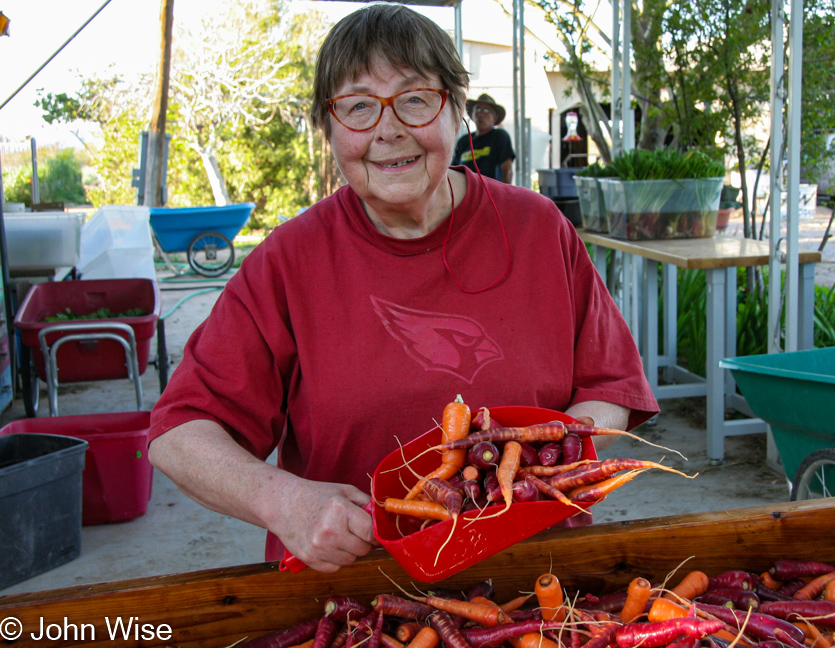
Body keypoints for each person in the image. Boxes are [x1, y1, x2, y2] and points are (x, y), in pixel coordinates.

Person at [147, 2, 657, 575]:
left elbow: (611, 386)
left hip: (536, 576)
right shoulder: (288, 263)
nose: (388, 129)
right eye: (358, 106)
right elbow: (179, 434)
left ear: (456, 109)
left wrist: (532, 470)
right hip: (356, 591)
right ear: (329, 127)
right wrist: (283, 501)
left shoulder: (539, 230)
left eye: (415, 99)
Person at [452, 93, 516, 183]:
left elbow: (507, 171)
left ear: (495, 117)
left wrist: (504, 195)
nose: (481, 114)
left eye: (486, 110)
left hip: (491, 194)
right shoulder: (464, 141)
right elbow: (453, 172)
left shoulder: (500, 137)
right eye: (477, 109)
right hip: (465, 194)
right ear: (472, 115)